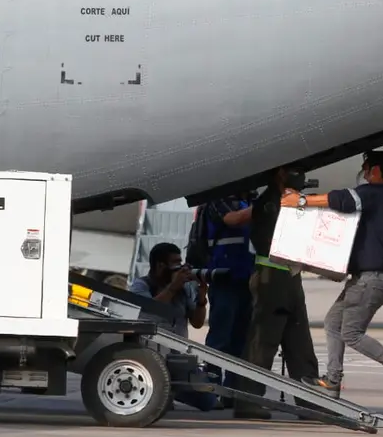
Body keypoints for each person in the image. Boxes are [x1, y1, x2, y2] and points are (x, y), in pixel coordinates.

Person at [289, 151, 383, 402]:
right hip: (367, 278)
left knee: (351, 333)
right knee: (333, 323)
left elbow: (342, 200)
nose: (362, 172)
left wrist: (301, 201)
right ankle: (332, 381)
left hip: (372, 279)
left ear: (377, 171)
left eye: (365, 167)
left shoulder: (375, 193)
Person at [232, 166, 320, 420]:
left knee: (299, 341)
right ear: (280, 174)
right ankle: (247, 401)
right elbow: (270, 241)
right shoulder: (269, 203)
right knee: (263, 342)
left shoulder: (289, 202)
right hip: (272, 277)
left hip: (290, 277)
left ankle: (309, 401)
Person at [129, 242, 217, 412]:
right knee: (161, 406)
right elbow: (150, 308)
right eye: (175, 262)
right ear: (160, 265)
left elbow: (197, 323)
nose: (180, 267)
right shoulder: (141, 285)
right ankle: (162, 391)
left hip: (178, 359)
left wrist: (201, 297)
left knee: (209, 402)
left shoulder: (184, 289)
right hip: (151, 359)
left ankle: (169, 390)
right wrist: (173, 287)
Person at [201, 193, 255, 406]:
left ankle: (231, 391)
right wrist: (267, 205)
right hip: (225, 277)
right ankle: (212, 389)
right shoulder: (218, 200)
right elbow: (232, 219)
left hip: (246, 278)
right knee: (220, 338)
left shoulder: (248, 201)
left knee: (240, 340)